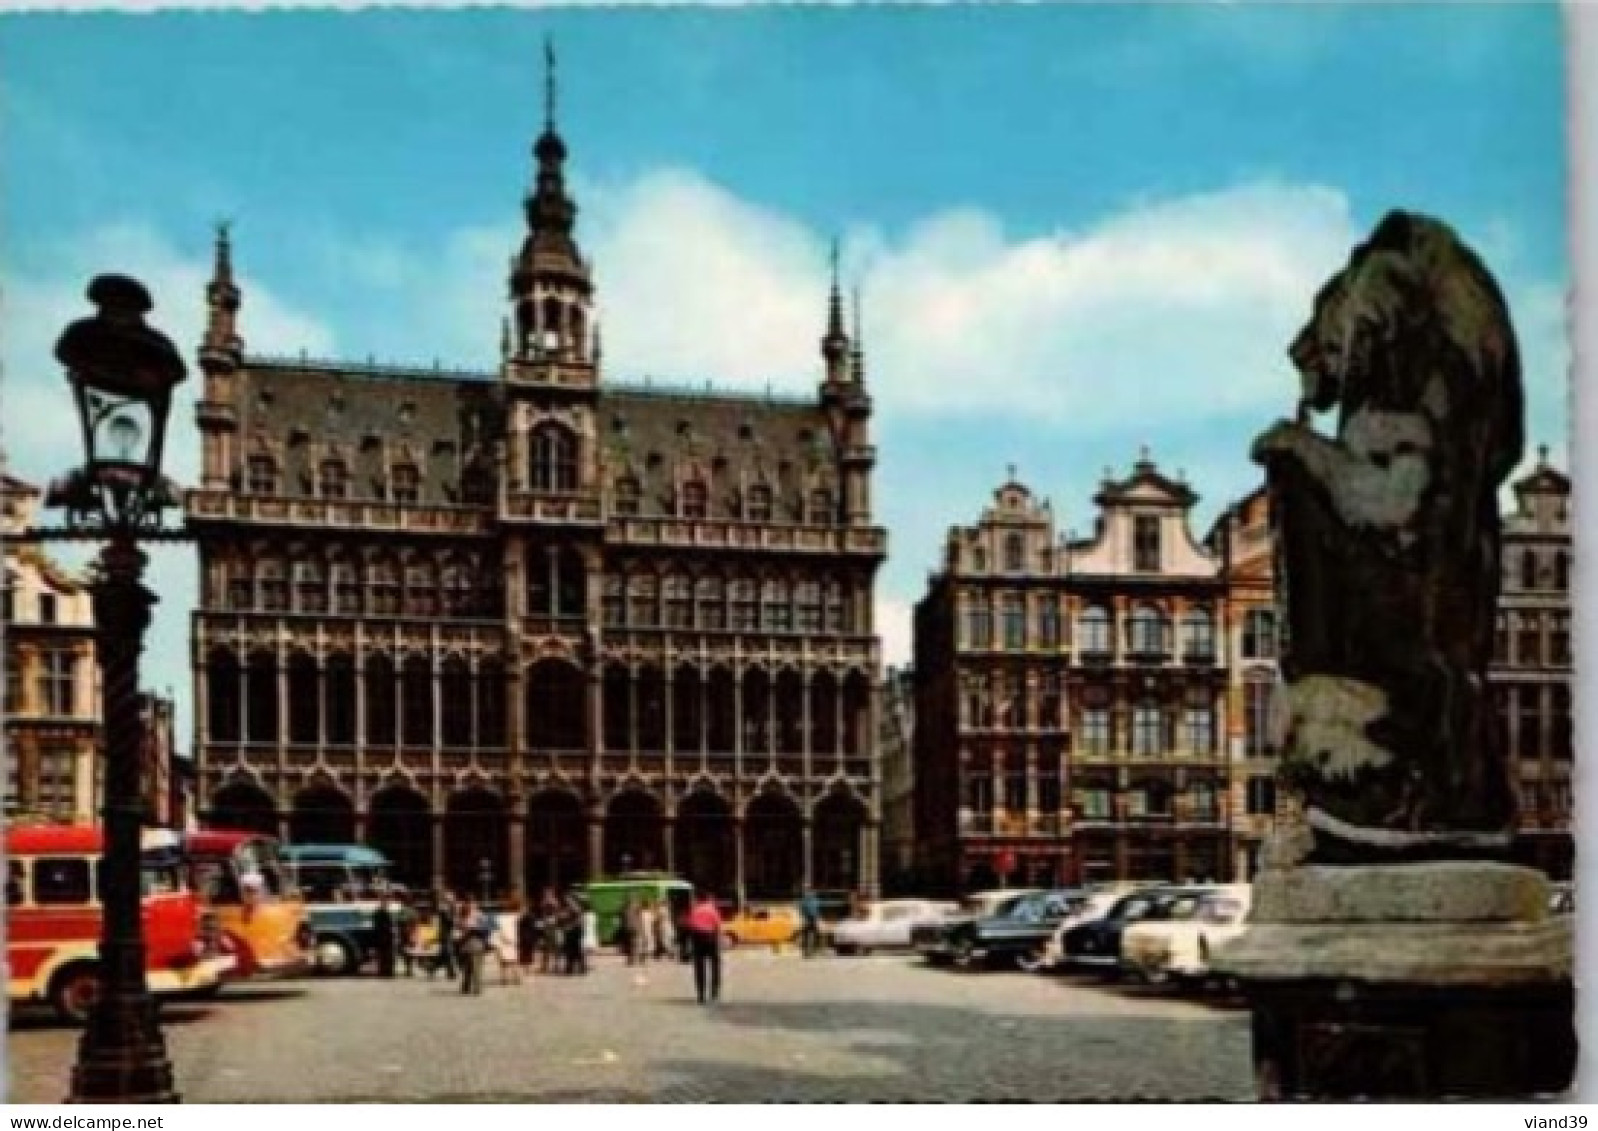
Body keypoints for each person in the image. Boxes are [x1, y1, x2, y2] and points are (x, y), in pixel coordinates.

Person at [686, 889, 723, 1004]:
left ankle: (701, 995)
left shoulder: (694, 910)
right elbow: (718, 925)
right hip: (711, 938)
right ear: (708, 899)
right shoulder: (712, 910)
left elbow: (690, 926)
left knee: (699, 968)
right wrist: (719, 940)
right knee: (715, 966)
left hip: (697, 939)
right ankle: (714, 993)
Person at [457, 897, 490, 995]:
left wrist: (473, 929)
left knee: (472, 968)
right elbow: (486, 929)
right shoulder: (465, 916)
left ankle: (470, 988)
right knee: (472, 968)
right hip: (472, 945)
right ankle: (472, 988)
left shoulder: (477, 915)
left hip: (471, 945)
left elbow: (485, 929)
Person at [373, 893, 397, 978]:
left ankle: (388, 971)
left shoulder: (387, 912)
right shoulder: (379, 912)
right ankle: (384, 971)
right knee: (384, 955)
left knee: (389, 955)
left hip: (387, 936)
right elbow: (379, 925)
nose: (386, 903)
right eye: (385, 901)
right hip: (383, 936)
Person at [436, 894, 459, 980]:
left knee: (446, 953)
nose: (452, 901)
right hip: (446, 935)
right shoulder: (444, 910)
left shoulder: (450, 909)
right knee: (449, 953)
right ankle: (451, 972)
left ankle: (434, 966)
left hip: (451, 934)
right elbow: (450, 921)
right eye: (450, 900)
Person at [516, 899, 539, 977]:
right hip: (525, 938)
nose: (522, 909)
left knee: (528, 954)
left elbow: (533, 928)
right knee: (524, 955)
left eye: (524, 908)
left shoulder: (529, 916)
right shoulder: (525, 916)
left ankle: (528, 969)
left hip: (528, 938)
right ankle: (526, 969)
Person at [799, 886, 823, 959]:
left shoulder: (815, 901)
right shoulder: (805, 901)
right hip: (808, 919)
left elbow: (817, 910)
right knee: (808, 934)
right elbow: (802, 911)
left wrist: (818, 918)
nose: (810, 893)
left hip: (812, 919)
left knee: (815, 934)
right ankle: (808, 950)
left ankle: (813, 950)